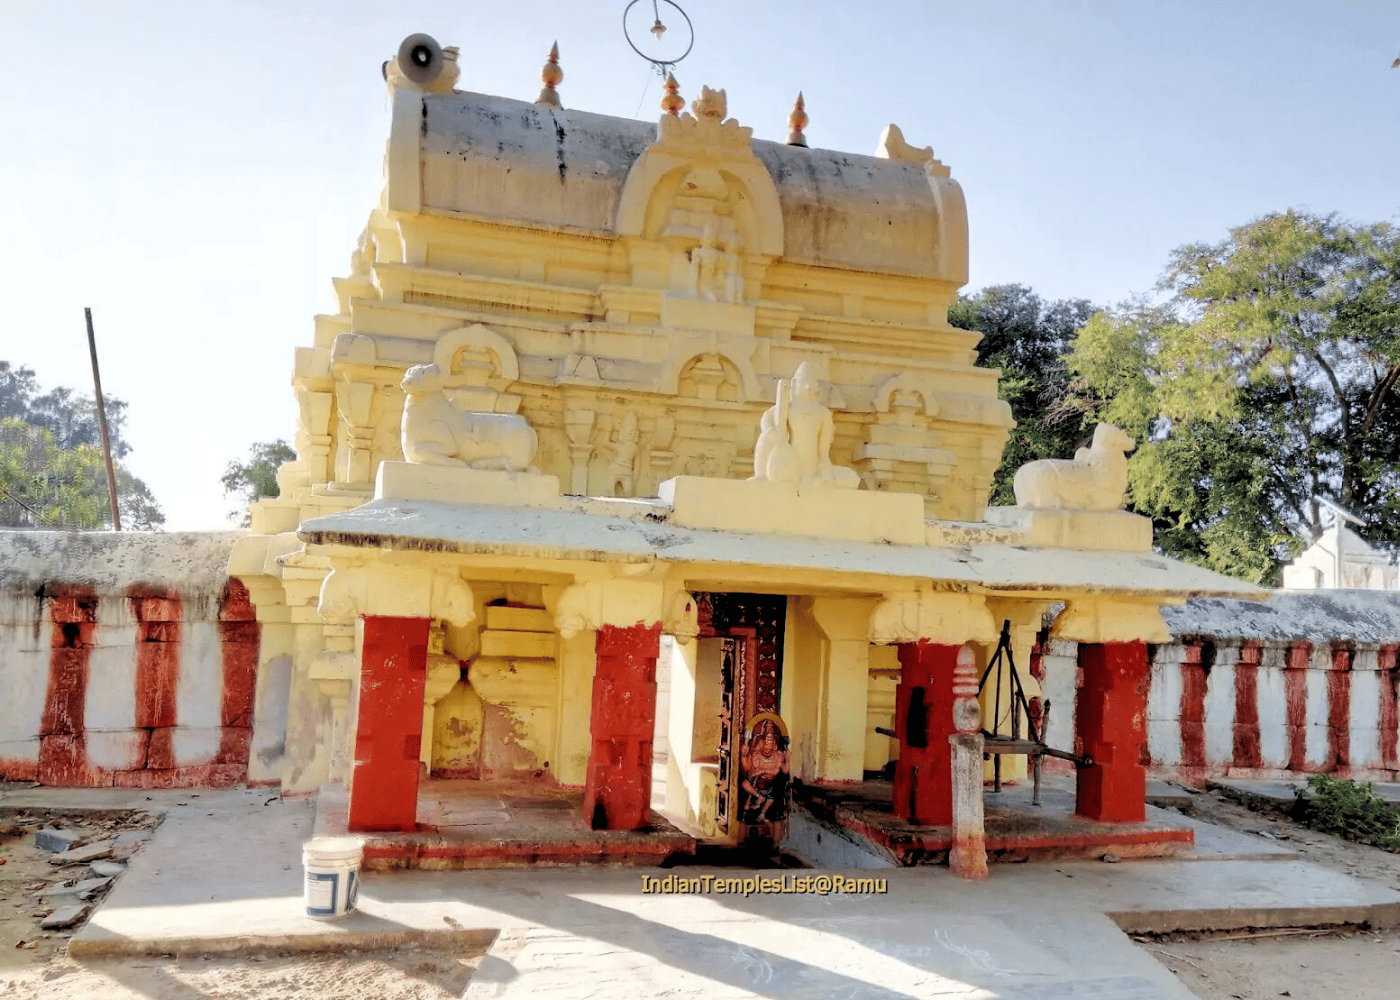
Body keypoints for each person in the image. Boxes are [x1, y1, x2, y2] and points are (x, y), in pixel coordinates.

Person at [739, 716, 790, 825]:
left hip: (770, 785)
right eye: (766, 743)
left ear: (775, 745)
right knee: (745, 784)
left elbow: (783, 771)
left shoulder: (778, 756)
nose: (768, 746)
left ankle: (762, 814)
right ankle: (759, 797)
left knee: (774, 794)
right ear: (761, 743)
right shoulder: (756, 755)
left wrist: (788, 760)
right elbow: (748, 769)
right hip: (757, 784)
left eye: (771, 744)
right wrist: (744, 754)